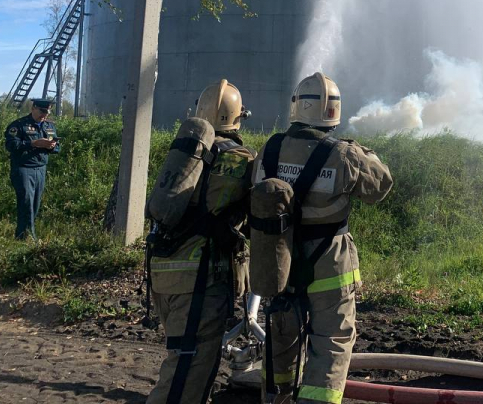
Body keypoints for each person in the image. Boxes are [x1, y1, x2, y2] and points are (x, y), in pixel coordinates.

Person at [252, 72, 393, 404]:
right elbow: (382, 186)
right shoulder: (344, 154)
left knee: (281, 336)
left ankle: (275, 399)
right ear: (334, 113)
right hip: (329, 264)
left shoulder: (269, 149)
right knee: (331, 341)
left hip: (278, 258)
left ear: (296, 107)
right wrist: (361, 151)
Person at [147, 79, 255, 404]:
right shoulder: (244, 160)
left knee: (184, 359)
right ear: (238, 117)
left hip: (163, 274)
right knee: (187, 372)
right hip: (200, 282)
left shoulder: (187, 153)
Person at [4, 99, 59, 240]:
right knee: (26, 202)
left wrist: (51, 147)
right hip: (23, 168)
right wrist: (33, 143)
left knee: (35, 203)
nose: (45, 115)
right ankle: (27, 237)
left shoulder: (49, 127)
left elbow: (57, 147)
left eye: (48, 112)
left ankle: (24, 235)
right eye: (42, 111)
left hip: (40, 169)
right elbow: (11, 145)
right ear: (33, 108)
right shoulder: (19, 125)